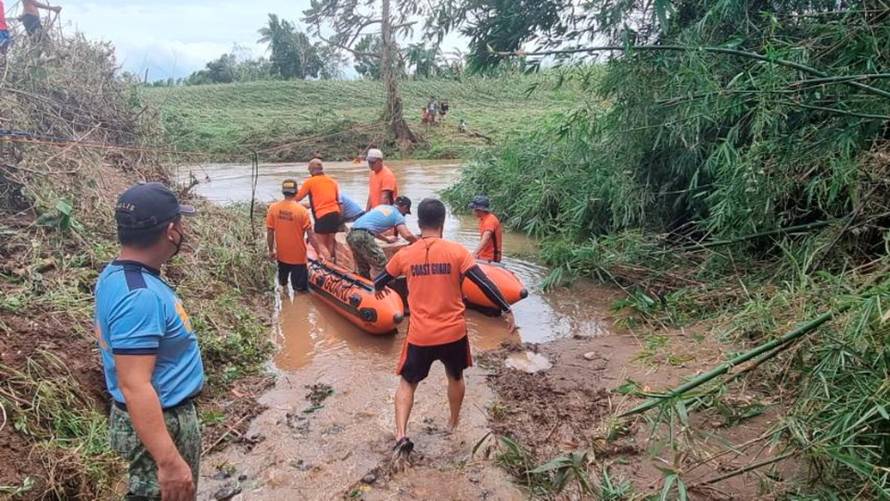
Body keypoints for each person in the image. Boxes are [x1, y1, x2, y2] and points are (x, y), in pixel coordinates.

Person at [373, 198, 514, 460]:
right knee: (456, 377)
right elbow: (484, 283)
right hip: (454, 333)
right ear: (443, 222)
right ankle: (452, 424)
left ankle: (401, 435)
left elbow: (381, 279)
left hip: (421, 335)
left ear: (418, 223)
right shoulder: (457, 252)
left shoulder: (406, 254)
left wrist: (378, 290)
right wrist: (505, 308)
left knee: (407, 383)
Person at [95, 182, 202, 501]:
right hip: (161, 425)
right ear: (171, 231)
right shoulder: (139, 297)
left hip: (157, 419)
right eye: (180, 224)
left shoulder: (117, 276)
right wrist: (169, 462)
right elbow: (135, 385)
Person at [347, 196, 417, 279]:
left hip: (351, 234)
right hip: (363, 236)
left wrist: (387, 239)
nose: (404, 214)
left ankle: (365, 284)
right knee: (382, 262)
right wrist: (418, 242)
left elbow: (371, 229)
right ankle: (383, 287)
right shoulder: (398, 215)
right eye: (405, 212)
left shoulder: (382, 207)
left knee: (363, 265)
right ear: (405, 207)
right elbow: (407, 235)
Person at [267, 179, 315, 292]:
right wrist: (321, 252)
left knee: (282, 284)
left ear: (283, 192)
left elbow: (270, 232)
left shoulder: (273, 208)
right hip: (298, 258)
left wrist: (271, 250)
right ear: (296, 192)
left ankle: (284, 304)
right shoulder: (302, 211)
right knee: (300, 291)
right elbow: (311, 236)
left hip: (281, 256)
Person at [295, 158, 341, 261]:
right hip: (335, 214)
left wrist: (285, 201)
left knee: (320, 243)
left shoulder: (310, 182)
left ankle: (328, 265)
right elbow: (337, 200)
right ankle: (333, 262)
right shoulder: (332, 181)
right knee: (330, 241)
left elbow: (297, 198)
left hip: (322, 215)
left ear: (311, 170)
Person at [469, 195, 503, 263]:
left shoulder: (490, 220)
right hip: (484, 255)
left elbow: (486, 238)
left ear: (479, 210)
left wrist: (474, 254)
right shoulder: (483, 219)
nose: (472, 211)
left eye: (473, 209)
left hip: (491, 258)